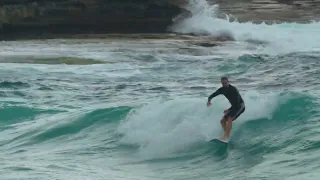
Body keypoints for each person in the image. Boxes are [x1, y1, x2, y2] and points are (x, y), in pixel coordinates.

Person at [207, 77, 245, 141]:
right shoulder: (222, 90)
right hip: (234, 107)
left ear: (228, 82)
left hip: (240, 106)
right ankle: (227, 135)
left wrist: (229, 109)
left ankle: (226, 136)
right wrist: (209, 101)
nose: (224, 84)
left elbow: (237, 103)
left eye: (225, 83)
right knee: (222, 121)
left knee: (229, 117)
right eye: (222, 83)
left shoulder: (233, 90)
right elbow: (212, 95)